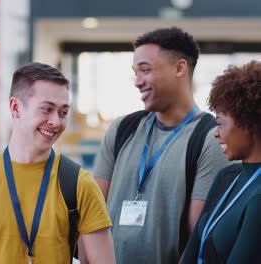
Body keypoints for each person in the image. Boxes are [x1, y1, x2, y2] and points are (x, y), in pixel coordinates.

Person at [0, 62, 115, 263]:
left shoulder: (80, 184)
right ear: (15, 107)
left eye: (63, 112)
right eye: (46, 109)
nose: (56, 122)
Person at [92, 27, 231, 264]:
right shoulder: (122, 129)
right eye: (135, 73)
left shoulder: (211, 138)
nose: (137, 82)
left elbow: (197, 238)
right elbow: (92, 214)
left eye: (145, 70)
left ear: (179, 68)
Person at [182, 60, 261, 264]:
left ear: (249, 123)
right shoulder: (227, 176)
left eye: (220, 123)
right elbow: (192, 250)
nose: (216, 133)